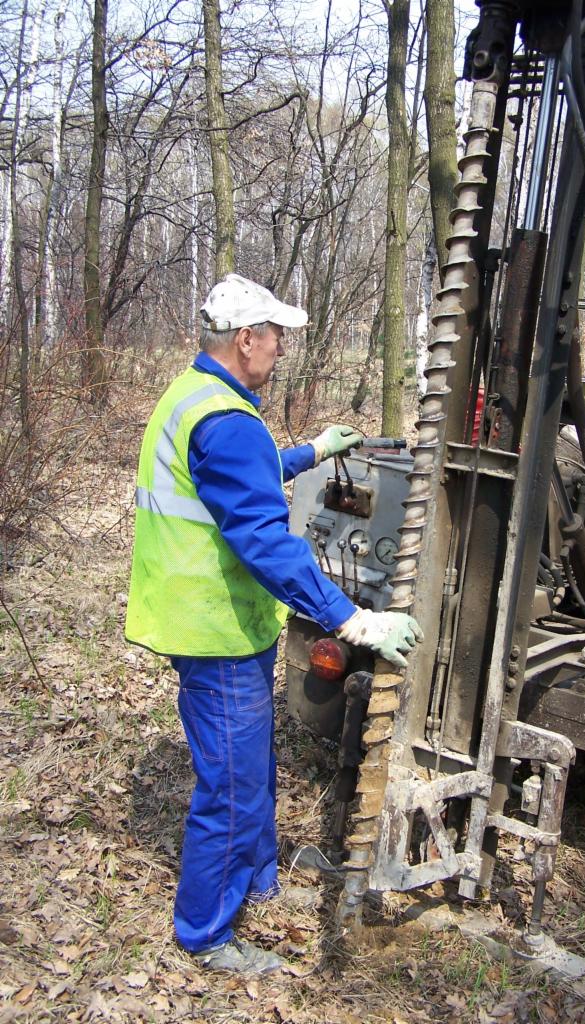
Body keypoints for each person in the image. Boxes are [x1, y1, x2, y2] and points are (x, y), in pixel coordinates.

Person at [125, 274, 422, 975]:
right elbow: (264, 541)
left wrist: (311, 452)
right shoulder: (227, 421)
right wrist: (352, 620)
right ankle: (207, 934)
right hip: (215, 629)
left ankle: (256, 877)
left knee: (251, 761)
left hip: (220, 621)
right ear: (245, 339)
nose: (282, 347)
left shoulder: (200, 396)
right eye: (275, 335)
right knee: (230, 784)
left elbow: (236, 477)